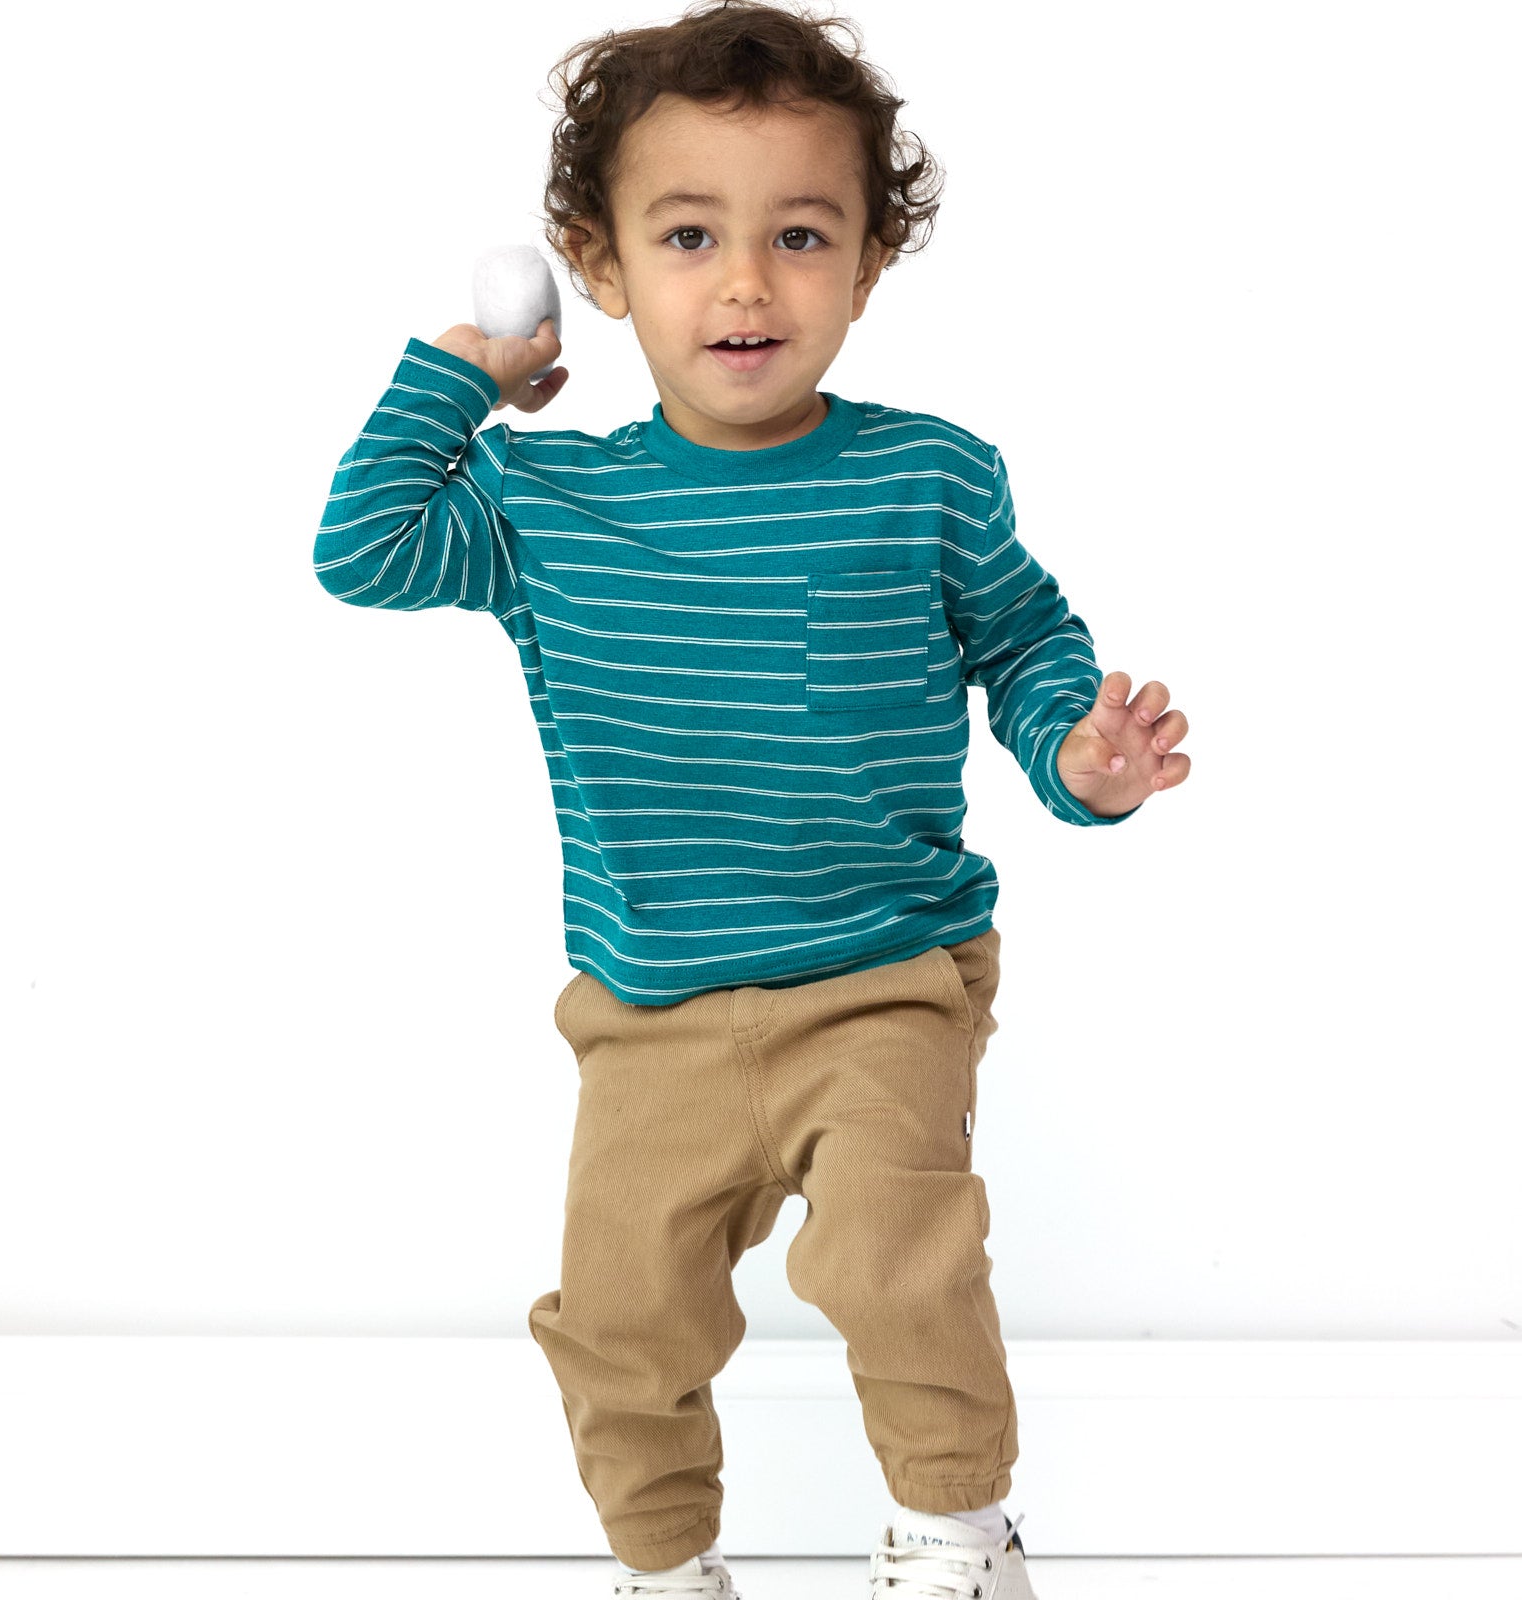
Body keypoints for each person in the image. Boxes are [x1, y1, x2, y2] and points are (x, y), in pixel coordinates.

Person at [312, 5, 1191, 1597]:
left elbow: (1031, 648)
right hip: (652, 1005)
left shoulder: (930, 476)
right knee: (621, 1318)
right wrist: (468, 374)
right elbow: (361, 551)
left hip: (883, 974)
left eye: (800, 236)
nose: (744, 283)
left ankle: (954, 1535)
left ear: (865, 266)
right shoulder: (549, 504)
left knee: (891, 1254)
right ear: (599, 263)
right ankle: (666, 1566)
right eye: (688, 235)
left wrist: (1080, 760)